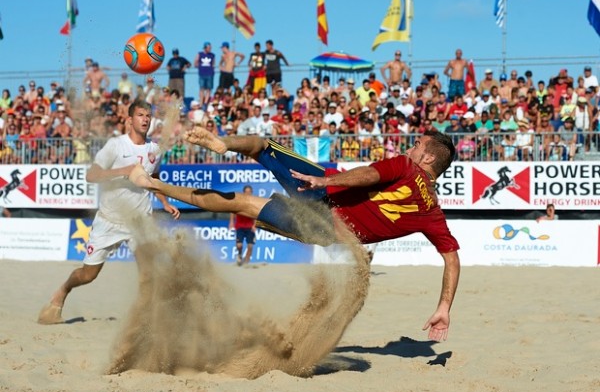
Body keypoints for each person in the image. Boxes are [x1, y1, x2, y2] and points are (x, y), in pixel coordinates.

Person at [129, 128, 461, 342]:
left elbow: (368, 174)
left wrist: (325, 182)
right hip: (324, 230)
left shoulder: (406, 165)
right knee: (243, 205)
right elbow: (451, 259)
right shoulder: (433, 213)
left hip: (321, 190)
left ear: (428, 157)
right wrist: (444, 306)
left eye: (418, 145)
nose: (413, 146)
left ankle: (222, 144)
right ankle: (156, 185)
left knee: (260, 145)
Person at [37, 100, 180, 325]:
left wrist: (165, 201)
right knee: (88, 275)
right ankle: (63, 291)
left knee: (149, 271)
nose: (145, 119)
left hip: (139, 221)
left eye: (148, 116)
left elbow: (154, 178)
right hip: (109, 220)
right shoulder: (115, 146)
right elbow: (91, 175)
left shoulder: (154, 150)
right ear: (130, 119)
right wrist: (125, 171)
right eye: (141, 115)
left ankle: (145, 321)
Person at [229, 185, 257, 266]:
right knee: (239, 245)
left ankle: (246, 263)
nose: (248, 193)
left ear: (251, 192)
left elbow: (256, 215)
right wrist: (231, 222)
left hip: (250, 227)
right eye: (246, 192)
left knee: (250, 246)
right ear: (244, 193)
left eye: (249, 192)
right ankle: (240, 255)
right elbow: (233, 211)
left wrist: (255, 225)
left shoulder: (254, 202)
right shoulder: (239, 201)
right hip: (240, 226)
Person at [194, 42, 216, 107]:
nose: (210, 49)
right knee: (202, 88)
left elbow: (213, 64)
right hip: (202, 73)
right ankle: (201, 102)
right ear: (205, 48)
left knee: (209, 89)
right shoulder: (199, 54)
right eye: (209, 47)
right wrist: (201, 66)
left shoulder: (212, 55)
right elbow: (195, 63)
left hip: (210, 74)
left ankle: (205, 103)